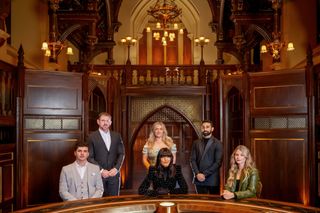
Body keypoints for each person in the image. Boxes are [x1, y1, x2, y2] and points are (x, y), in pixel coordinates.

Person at [88, 112, 125, 196]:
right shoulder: (91, 137)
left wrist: (116, 168)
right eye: (103, 120)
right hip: (98, 176)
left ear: (110, 122)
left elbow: (121, 153)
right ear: (98, 122)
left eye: (107, 120)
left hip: (114, 175)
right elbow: (90, 157)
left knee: (113, 202)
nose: (105, 123)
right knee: (98, 202)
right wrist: (101, 170)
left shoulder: (117, 136)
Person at [190, 120, 223, 194]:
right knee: (201, 202)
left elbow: (218, 163)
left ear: (212, 129)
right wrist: (197, 173)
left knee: (213, 203)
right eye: (203, 127)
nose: (205, 129)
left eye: (207, 127)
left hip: (212, 179)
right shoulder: (196, 143)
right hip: (199, 178)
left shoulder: (218, 143)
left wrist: (204, 174)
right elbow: (192, 160)